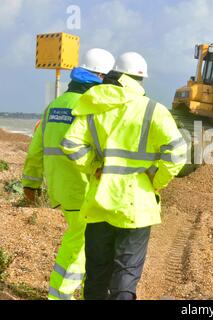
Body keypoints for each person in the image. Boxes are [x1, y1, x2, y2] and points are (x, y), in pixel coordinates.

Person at [60, 52, 187, 300]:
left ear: (115, 75)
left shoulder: (93, 105)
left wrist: (93, 166)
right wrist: (156, 181)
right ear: (141, 79)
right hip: (136, 206)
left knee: (96, 272)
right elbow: (177, 153)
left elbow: (71, 144)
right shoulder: (153, 109)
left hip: (99, 201)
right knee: (125, 276)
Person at [21, 48, 116, 300]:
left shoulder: (54, 106)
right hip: (82, 187)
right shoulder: (91, 106)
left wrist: (31, 185)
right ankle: (60, 295)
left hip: (59, 187)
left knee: (82, 240)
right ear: (100, 77)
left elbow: (35, 150)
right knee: (80, 245)